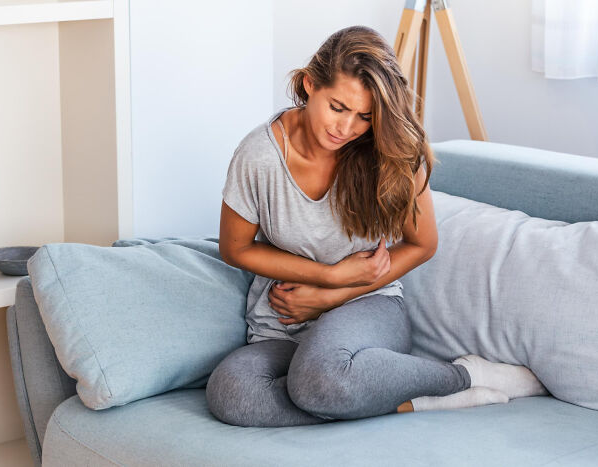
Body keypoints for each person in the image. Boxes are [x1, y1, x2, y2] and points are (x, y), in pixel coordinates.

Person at [206, 25, 547, 428]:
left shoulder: (392, 149)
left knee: (319, 379)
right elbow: (236, 249)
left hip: (368, 307)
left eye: (364, 116)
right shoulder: (259, 155)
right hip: (282, 320)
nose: (346, 128)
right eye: (337, 107)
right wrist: (328, 275)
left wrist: (331, 295)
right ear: (308, 84)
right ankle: (404, 400)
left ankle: (464, 376)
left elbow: (422, 244)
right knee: (232, 393)